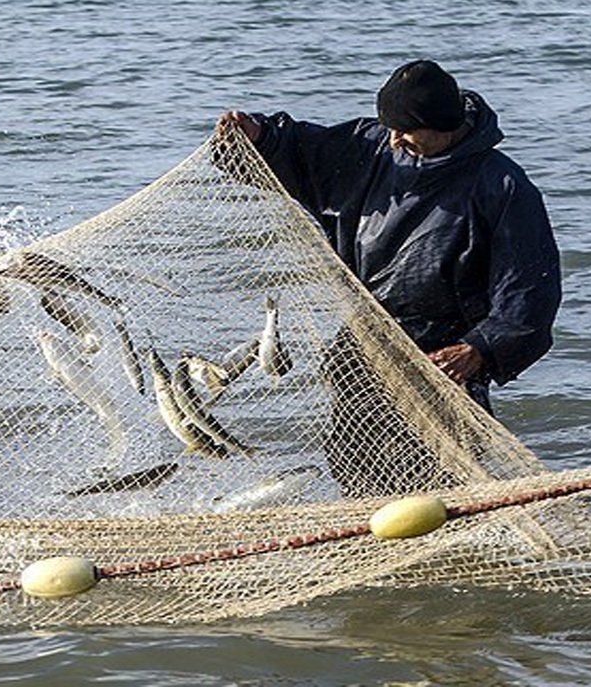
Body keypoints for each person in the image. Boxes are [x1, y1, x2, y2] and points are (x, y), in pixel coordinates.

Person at [212, 60, 562, 496]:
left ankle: (444, 553)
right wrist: (260, 136)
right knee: (354, 460)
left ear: (444, 126)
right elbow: (304, 152)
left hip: (445, 353)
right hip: (367, 338)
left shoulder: (502, 186)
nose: (394, 138)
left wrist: (481, 347)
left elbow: (530, 287)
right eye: (389, 126)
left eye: (406, 130)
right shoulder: (374, 147)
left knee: (442, 472)